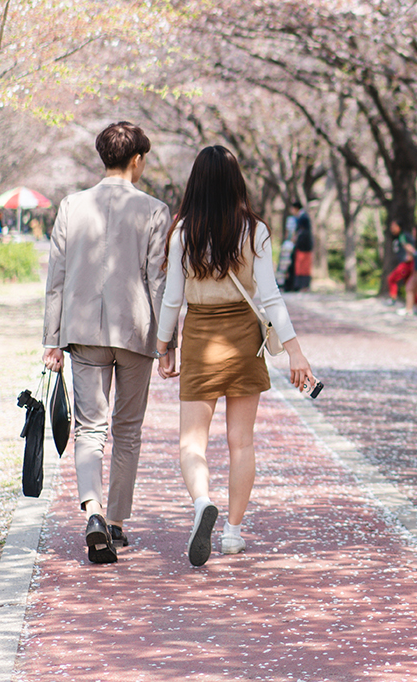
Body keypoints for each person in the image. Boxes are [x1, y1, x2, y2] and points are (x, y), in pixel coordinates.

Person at [155, 146, 314, 566]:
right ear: (235, 181)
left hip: (201, 339)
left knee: (192, 442)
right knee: (241, 442)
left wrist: (163, 347)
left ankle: (202, 502)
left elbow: (172, 299)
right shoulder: (254, 229)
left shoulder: (182, 231)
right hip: (244, 341)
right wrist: (296, 352)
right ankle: (232, 533)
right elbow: (271, 297)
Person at [42, 121, 171, 565]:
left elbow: (56, 277)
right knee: (127, 430)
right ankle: (116, 522)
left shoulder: (71, 205)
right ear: (137, 160)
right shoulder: (155, 210)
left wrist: (51, 340)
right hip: (136, 332)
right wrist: (167, 340)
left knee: (90, 429)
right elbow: (158, 281)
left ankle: (92, 511)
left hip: (82, 331)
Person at [382, 219, 414, 304]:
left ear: (399, 227)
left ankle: (393, 299)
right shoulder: (397, 237)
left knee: (391, 279)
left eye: (394, 226)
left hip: (406, 264)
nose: (392, 228)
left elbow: (412, 247)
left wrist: (410, 256)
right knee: (409, 284)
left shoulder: (404, 236)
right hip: (404, 263)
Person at [290, 203, 315, 292]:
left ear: (296, 208)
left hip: (303, 246)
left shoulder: (303, 218)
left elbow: (302, 232)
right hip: (304, 245)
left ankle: (302, 286)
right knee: (302, 266)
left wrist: (296, 239)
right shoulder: (303, 217)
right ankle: (302, 285)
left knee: (302, 266)